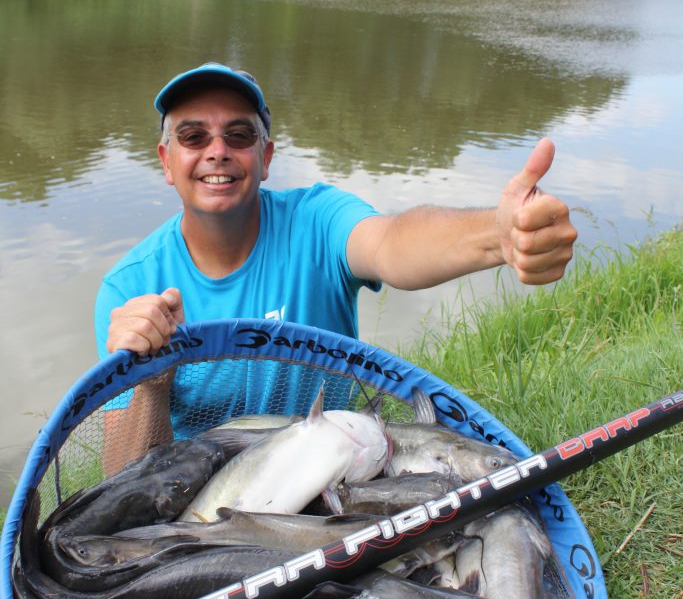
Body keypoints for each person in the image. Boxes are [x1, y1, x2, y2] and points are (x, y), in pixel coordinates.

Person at [95, 62, 577, 473]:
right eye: (193, 135)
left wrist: (498, 236)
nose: (217, 150)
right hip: (203, 491)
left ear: (265, 157)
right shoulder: (130, 286)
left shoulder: (317, 220)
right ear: (166, 159)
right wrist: (150, 382)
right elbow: (121, 475)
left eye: (239, 135)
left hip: (338, 471)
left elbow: (391, 243)